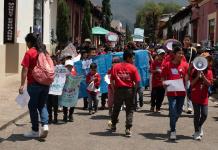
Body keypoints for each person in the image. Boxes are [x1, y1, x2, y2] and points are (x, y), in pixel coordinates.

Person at [19, 33, 49, 138]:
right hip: (45, 83)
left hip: (34, 84)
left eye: (27, 42)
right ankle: (45, 125)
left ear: (29, 42)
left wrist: (22, 85)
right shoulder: (44, 52)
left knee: (32, 107)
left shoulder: (29, 53)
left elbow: (25, 69)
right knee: (42, 105)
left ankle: (35, 130)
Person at [109, 49, 141, 137]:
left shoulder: (115, 67)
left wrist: (114, 89)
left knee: (116, 108)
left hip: (118, 90)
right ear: (128, 58)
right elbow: (137, 81)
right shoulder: (133, 68)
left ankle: (113, 125)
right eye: (133, 58)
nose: (134, 60)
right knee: (129, 110)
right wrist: (134, 90)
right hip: (129, 90)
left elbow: (111, 80)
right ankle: (128, 128)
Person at [162, 46, 189, 140]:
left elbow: (186, 77)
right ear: (174, 54)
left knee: (179, 111)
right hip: (171, 92)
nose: (181, 55)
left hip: (181, 92)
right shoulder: (167, 65)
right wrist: (164, 85)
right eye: (179, 53)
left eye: (182, 53)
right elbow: (163, 76)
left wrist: (186, 83)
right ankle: (173, 130)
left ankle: (173, 122)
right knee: (173, 111)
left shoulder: (185, 65)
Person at [190, 56, 213, 140]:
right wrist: (197, 76)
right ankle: (196, 132)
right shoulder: (194, 71)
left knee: (204, 114)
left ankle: (199, 126)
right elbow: (191, 84)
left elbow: (210, 84)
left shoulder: (209, 72)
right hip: (195, 96)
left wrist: (203, 77)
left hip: (204, 97)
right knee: (196, 114)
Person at [183, 35, 197, 114]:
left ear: (190, 41)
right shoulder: (180, 49)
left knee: (188, 89)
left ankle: (189, 107)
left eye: (188, 40)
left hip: (189, 71)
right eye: (185, 40)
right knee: (181, 89)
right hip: (181, 71)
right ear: (183, 41)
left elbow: (195, 61)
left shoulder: (193, 50)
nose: (186, 41)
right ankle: (181, 105)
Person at [47, 56, 59, 124]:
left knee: (55, 104)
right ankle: (50, 117)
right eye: (51, 60)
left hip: (56, 90)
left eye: (54, 60)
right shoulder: (47, 68)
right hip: (48, 89)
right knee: (48, 104)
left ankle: (55, 118)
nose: (53, 62)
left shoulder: (59, 69)